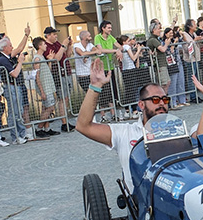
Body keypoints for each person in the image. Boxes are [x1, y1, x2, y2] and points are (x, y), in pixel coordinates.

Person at [74, 59, 173, 191]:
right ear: (141, 105)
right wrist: (95, 86)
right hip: (141, 201)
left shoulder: (177, 131)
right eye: (155, 99)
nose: (161, 103)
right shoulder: (125, 132)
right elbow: (83, 126)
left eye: (165, 99)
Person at [0, 34, 29, 144]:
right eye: (10, 46)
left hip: (16, 86)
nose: (12, 47)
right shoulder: (3, 59)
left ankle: (22, 133)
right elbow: (14, 73)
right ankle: (15, 136)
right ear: (4, 48)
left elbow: (20, 48)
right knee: (13, 112)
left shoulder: (8, 57)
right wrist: (20, 62)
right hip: (10, 86)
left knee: (19, 111)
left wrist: (26, 35)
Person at [41, 27, 73, 132]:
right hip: (58, 74)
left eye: (56, 34)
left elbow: (66, 55)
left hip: (66, 72)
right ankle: (63, 123)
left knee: (66, 98)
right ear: (48, 35)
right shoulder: (47, 47)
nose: (56, 36)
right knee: (62, 98)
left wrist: (69, 46)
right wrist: (63, 45)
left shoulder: (58, 44)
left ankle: (66, 119)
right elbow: (56, 58)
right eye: (53, 34)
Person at [30, 37, 59, 133]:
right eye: (44, 44)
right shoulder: (37, 58)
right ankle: (39, 127)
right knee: (50, 107)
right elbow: (37, 76)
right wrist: (42, 91)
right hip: (44, 87)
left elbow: (47, 71)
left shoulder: (42, 58)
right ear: (39, 46)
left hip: (48, 85)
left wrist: (49, 61)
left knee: (45, 108)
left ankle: (46, 128)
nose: (46, 46)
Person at [146, 20, 171, 91]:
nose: (160, 31)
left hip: (163, 63)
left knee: (168, 82)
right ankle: (162, 99)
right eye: (158, 29)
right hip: (159, 65)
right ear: (154, 30)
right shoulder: (153, 40)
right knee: (163, 84)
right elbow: (162, 49)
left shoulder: (156, 39)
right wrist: (166, 44)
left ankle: (164, 98)